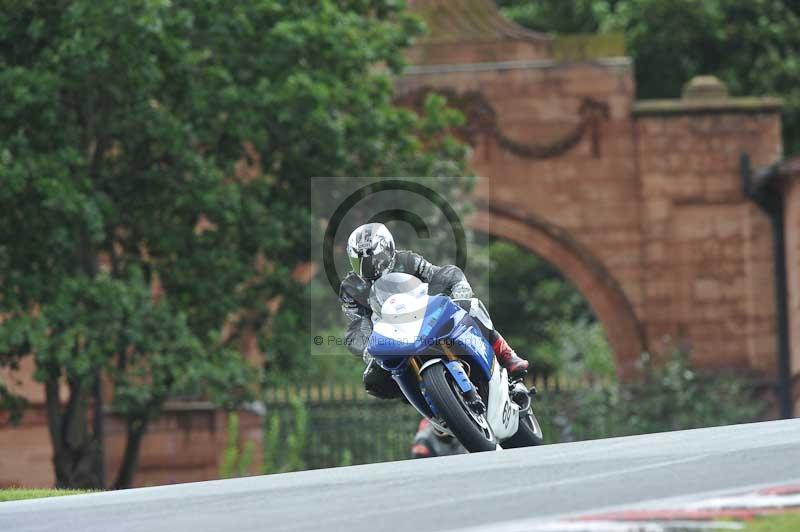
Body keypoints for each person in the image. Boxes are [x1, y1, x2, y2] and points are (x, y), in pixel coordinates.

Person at [339, 222, 529, 399]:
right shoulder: (350, 288)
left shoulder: (407, 260)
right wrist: (365, 346)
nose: (371, 267)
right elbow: (356, 323)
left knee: (471, 305)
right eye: (361, 262)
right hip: (390, 337)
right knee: (374, 381)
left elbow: (437, 274)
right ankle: (429, 404)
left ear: (389, 249)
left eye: (375, 259)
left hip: (425, 316)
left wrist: (458, 287)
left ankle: (505, 354)